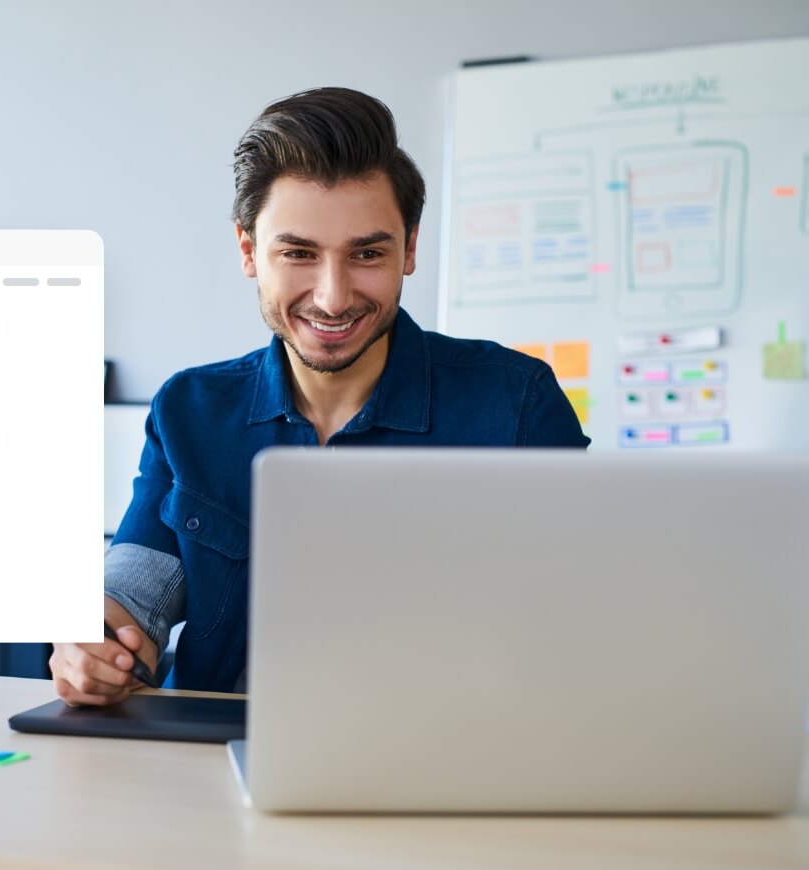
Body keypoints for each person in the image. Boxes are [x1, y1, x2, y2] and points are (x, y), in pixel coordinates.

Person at [51, 87, 589, 705]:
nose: (333, 298)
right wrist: (93, 644)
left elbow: (582, 615)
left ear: (409, 249)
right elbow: (136, 587)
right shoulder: (191, 409)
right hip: (217, 751)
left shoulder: (517, 402)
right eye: (299, 254)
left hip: (455, 753)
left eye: (366, 254)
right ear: (250, 251)